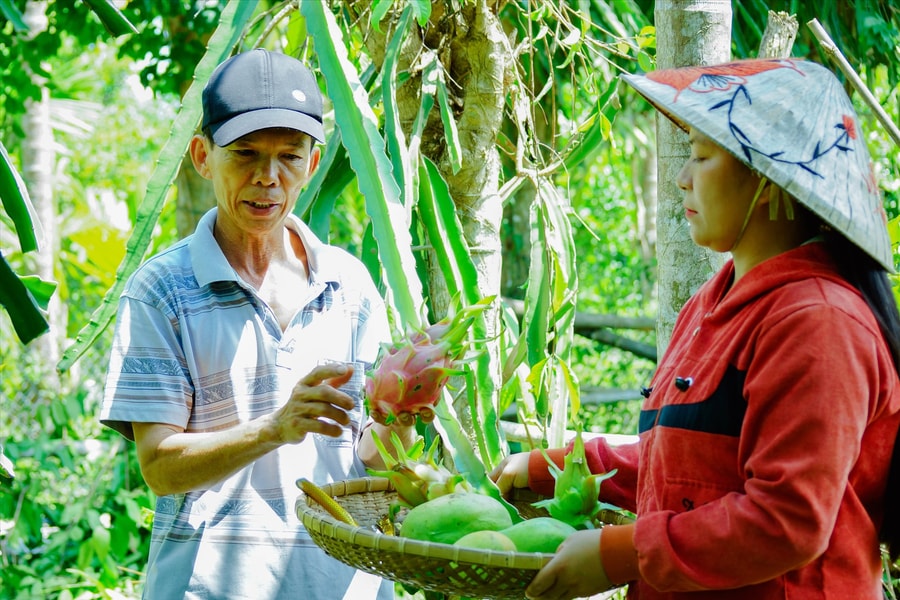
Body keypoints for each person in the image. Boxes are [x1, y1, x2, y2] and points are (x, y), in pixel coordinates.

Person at [491, 58, 900, 599]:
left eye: (702, 157)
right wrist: (559, 468)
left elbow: (786, 521)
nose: (682, 177)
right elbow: (684, 469)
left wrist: (621, 554)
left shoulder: (818, 323)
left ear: (771, 183)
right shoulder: (714, 304)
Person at [100, 49, 416, 599]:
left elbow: (372, 455)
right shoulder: (162, 291)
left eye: (289, 157)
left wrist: (406, 410)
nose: (268, 177)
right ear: (202, 156)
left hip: (344, 587)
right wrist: (277, 427)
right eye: (244, 154)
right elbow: (159, 467)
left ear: (312, 165)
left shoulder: (350, 284)